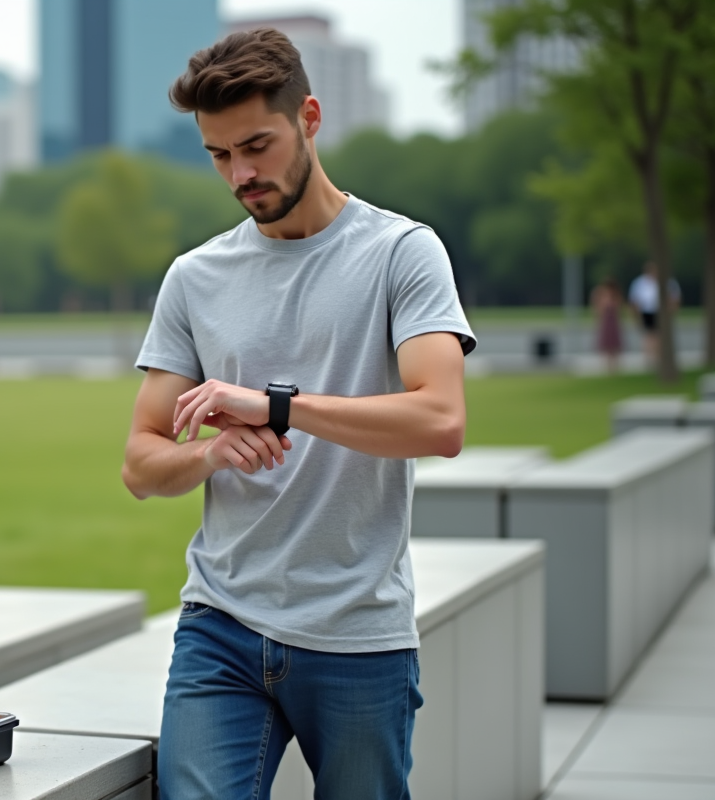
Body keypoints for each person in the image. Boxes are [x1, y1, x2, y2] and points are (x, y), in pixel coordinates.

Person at [121, 29, 475, 799]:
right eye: (219, 155)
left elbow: (441, 420)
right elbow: (141, 464)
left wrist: (278, 405)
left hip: (358, 635)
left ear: (309, 117)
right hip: (220, 625)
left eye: (257, 145)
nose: (241, 174)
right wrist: (209, 456)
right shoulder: (194, 278)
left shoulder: (402, 253)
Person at [628, 262, 681, 369]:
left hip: (662, 312)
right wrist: (636, 316)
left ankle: (660, 358)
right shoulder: (640, 282)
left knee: (660, 336)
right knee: (649, 336)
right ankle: (650, 359)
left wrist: (672, 311)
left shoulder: (667, 281)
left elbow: (675, 298)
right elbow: (634, 301)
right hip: (646, 312)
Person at [591, 276, 624, 374]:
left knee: (614, 344)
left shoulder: (616, 295)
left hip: (613, 321)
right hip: (605, 321)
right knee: (606, 344)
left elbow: (619, 308)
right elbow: (598, 308)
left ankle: (614, 367)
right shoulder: (600, 293)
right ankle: (607, 367)